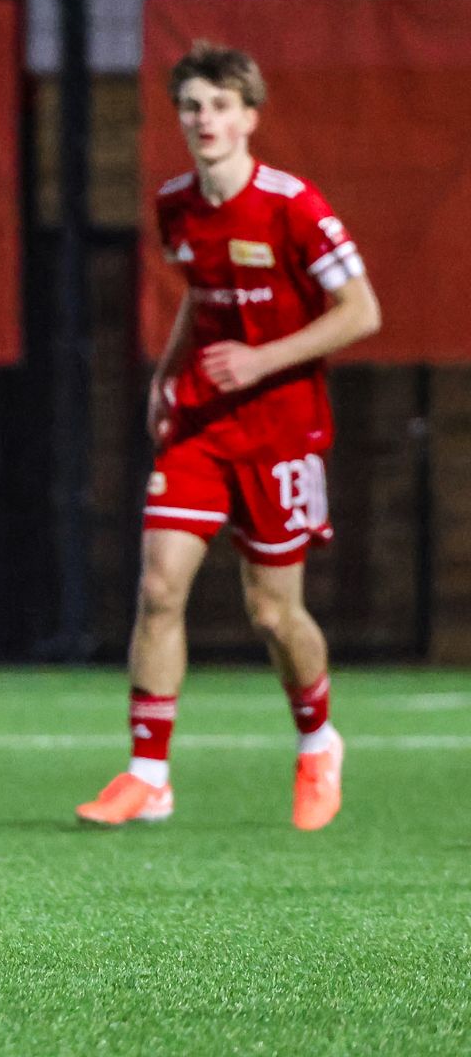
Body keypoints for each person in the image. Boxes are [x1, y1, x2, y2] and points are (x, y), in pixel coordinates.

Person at [76, 41, 381, 831]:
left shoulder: (293, 205)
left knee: (273, 613)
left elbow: (361, 312)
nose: (204, 119)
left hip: (282, 432)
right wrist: (167, 373)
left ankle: (318, 743)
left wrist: (261, 359)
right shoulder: (176, 203)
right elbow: (203, 298)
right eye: (191, 106)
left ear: (249, 117)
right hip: (203, 428)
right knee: (158, 589)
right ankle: (149, 776)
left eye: (219, 105)